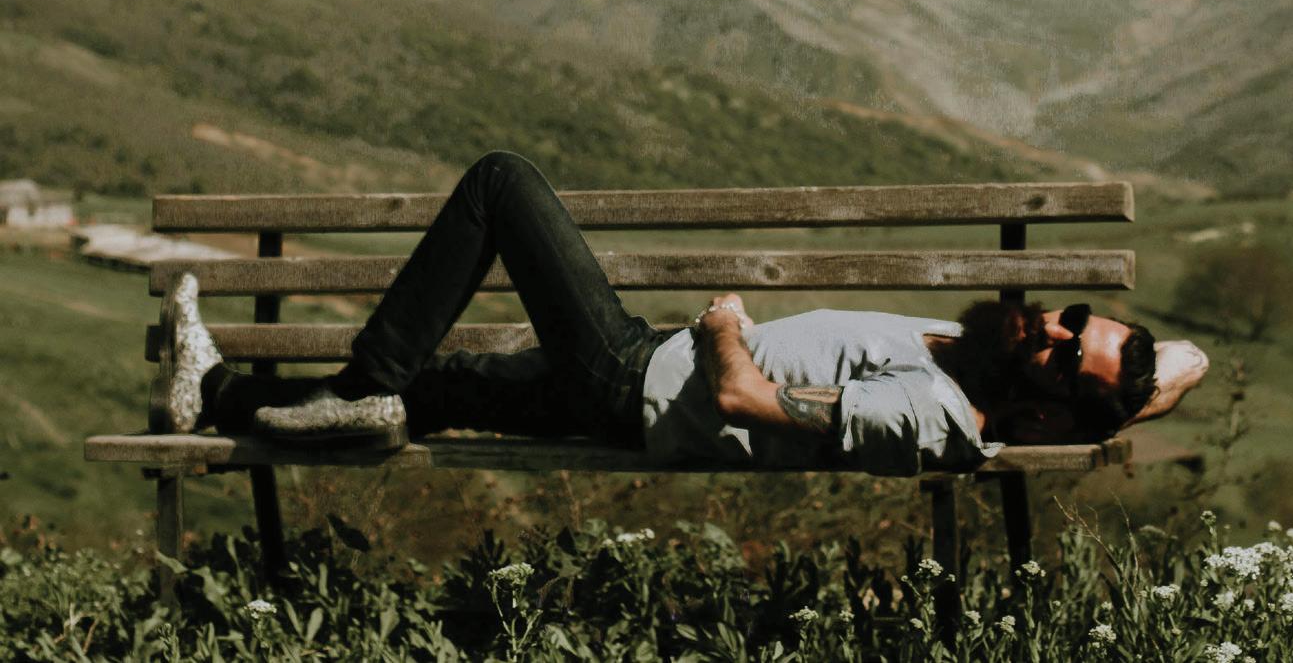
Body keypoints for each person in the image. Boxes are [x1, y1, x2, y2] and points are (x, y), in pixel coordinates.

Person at [167, 151, 1208, 475]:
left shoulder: (936, 415)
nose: (1054, 328)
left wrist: (722, 323)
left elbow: (746, 398)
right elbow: (1185, 363)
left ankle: (364, 386)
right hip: (633, 391)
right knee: (433, 398)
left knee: (500, 185)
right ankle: (212, 395)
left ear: (1042, 413)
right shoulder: (982, 373)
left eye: (1065, 354)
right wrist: (1124, 388)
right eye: (1076, 318)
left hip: (632, 380)